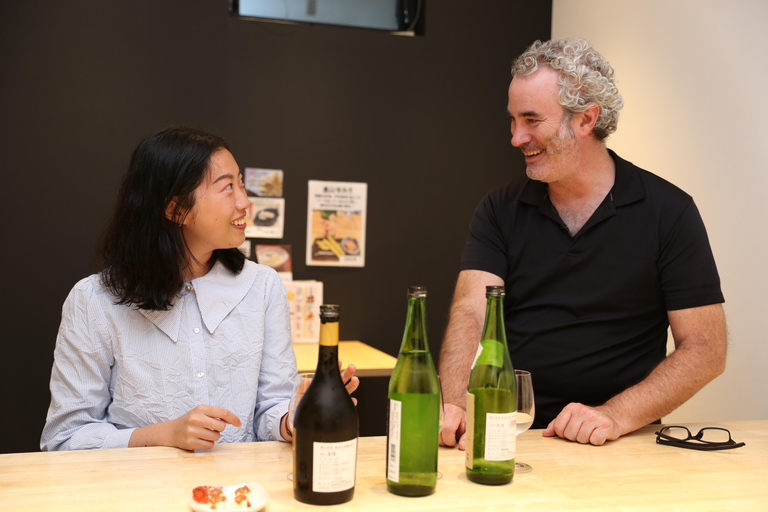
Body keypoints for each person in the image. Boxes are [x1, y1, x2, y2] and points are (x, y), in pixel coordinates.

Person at [438, 38, 727, 447]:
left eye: (532, 120)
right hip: (513, 432)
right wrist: (458, 404)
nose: (516, 137)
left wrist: (614, 415)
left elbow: (705, 349)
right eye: (513, 120)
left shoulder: (670, 211)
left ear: (586, 120)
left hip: (621, 440)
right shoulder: (500, 208)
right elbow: (470, 312)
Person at [41, 127, 359, 451]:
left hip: (237, 495)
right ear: (176, 209)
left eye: (242, 185)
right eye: (227, 188)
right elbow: (65, 438)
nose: (245, 203)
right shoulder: (93, 300)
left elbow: (271, 406)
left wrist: (294, 418)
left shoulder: (262, 286)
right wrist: (164, 435)